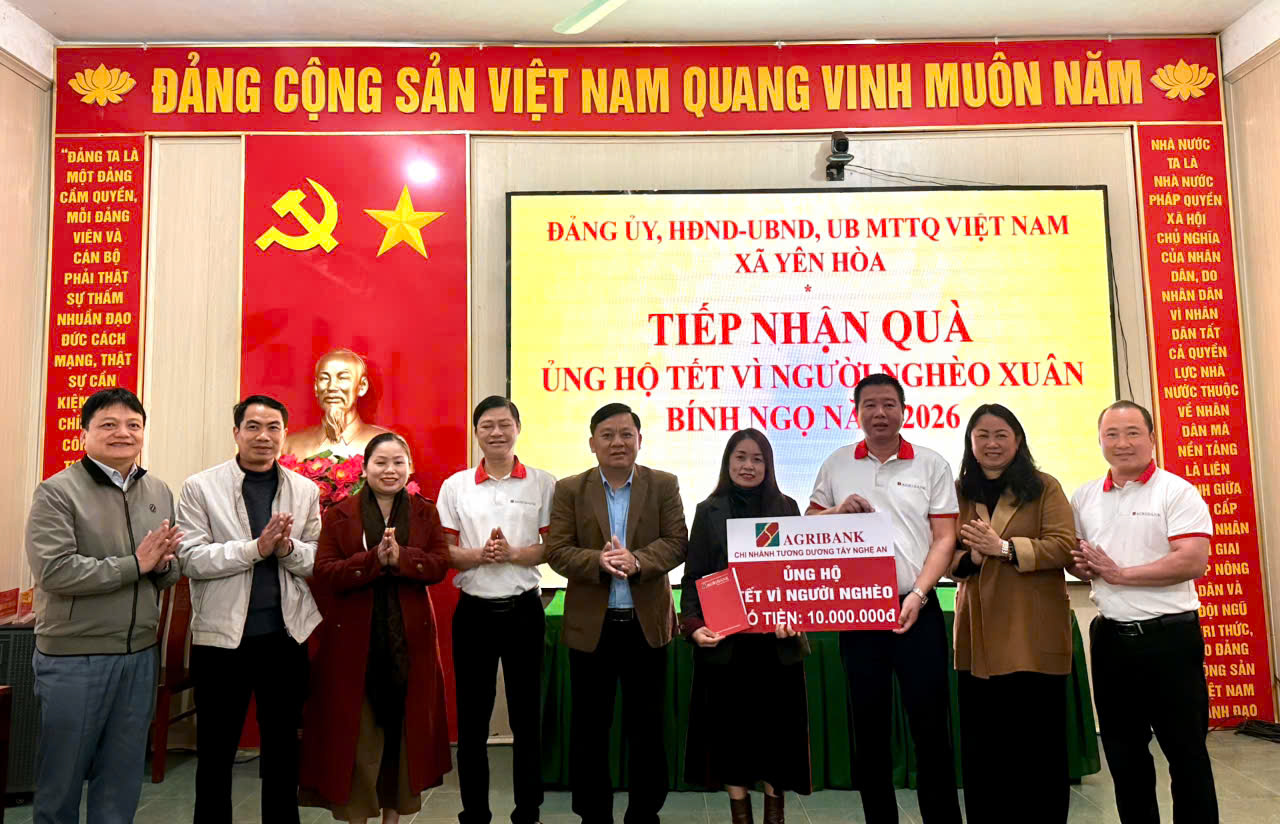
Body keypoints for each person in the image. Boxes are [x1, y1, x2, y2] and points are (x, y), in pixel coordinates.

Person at [806, 373, 961, 824]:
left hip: (918, 608)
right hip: (858, 612)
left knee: (931, 729)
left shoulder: (931, 463)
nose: (879, 413)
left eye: (889, 404)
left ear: (904, 410)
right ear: (855, 413)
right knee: (869, 731)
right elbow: (809, 523)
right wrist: (837, 511)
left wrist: (920, 593)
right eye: (869, 405)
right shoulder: (837, 463)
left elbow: (945, 538)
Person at [24, 387, 182, 824]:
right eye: (108, 424)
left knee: (121, 780)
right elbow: (55, 571)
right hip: (76, 659)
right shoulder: (57, 492)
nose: (123, 433)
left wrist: (165, 566)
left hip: (139, 656)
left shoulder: (158, 490)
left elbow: (164, 572)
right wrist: (137, 564)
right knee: (62, 780)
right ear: (84, 434)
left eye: (133, 425)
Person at [176, 394, 322, 824]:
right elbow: (191, 559)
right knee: (216, 753)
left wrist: (287, 549)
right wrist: (255, 549)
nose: (263, 436)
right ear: (236, 433)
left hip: (285, 637)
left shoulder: (305, 490)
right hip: (222, 640)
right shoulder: (200, 487)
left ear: (284, 434)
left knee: (283, 751)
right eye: (253, 426)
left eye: (273, 427)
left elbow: (317, 559)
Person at [1070, 400, 1218, 823]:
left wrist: (1120, 574)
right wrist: (1080, 566)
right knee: (1124, 753)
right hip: (1110, 639)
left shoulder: (1177, 491)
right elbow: (1077, 560)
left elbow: (1192, 560)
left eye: (1133, 432)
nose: (1122, 443)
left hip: (1169, 638)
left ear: (1152, 438)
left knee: (1186, 752)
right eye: (1112, 434)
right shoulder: (1084, 496)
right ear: (1100, 440)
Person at [545, 402, 688, 824]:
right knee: (590, 729)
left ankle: (644, 814)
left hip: (646, 627)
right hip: (593, 628)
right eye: (607, 435)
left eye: (626, 434)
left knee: (647, 728)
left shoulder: (663, 484)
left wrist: (638, 560)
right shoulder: (570, 489)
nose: (618, 442)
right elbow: (557, 550)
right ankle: (594, 815)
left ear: (640, 440)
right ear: (592, 443)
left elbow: (678, 542)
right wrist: (598, 561)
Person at [301, 432, 453, 822]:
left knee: (403, 734)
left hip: (409, 641)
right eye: (381, 462)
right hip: (353, 641)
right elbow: (325, 571)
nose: (390, 470)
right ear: (364, 468)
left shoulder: (424, 512)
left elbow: (438, 565)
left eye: (398, 462)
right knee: (357, 736)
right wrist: (372, 561)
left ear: (409, 468)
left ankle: (393, 817)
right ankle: (357, 817)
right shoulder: (340, 514)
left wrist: (402, 558)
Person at [949, 404, 1075, 823]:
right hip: (978, 637)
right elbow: (945, 555)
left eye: (1001, 434)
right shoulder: (958, 491)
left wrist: (1003, 548)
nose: (992, 443)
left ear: (1018, 440)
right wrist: (972, 558)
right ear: (970, 443)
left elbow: (1063, 547)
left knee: (1040, 751)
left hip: (1031, 635)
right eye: (982, 435)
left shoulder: (1044, 486)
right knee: (983, 752)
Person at [680, 429, 811, 824]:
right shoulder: (708, 510)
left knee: (777, 740)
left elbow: (799, 575)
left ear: (768, 465)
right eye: (740, 457)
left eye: (757, 459)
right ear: (728, 462)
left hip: (776, 646)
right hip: (726, 645)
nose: (748, 466)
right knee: (729, 741)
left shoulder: (786, 508)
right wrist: (693, 626)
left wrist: (797, 618)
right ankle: (741, 817)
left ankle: (775, 816)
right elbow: (694, 577)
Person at [437, 396, 555, 824]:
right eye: (487, 425)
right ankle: (475, 812)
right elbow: (444, 551)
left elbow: (552, 547)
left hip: (524, 611)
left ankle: (528, 811)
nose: (496, 432)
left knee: (527, 718)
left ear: (518, 428)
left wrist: (513, 554)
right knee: (472, 721)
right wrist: (479, 556)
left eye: (505, 424)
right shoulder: (456, 486)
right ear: (476, 433)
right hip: (474, 614)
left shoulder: (543, 483)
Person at [284, 347, 391, 459]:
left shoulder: (388, 445)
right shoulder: (288, 446)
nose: (331, 387)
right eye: (324, 378)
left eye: (343, 378)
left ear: (362, 386)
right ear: (316, 387)